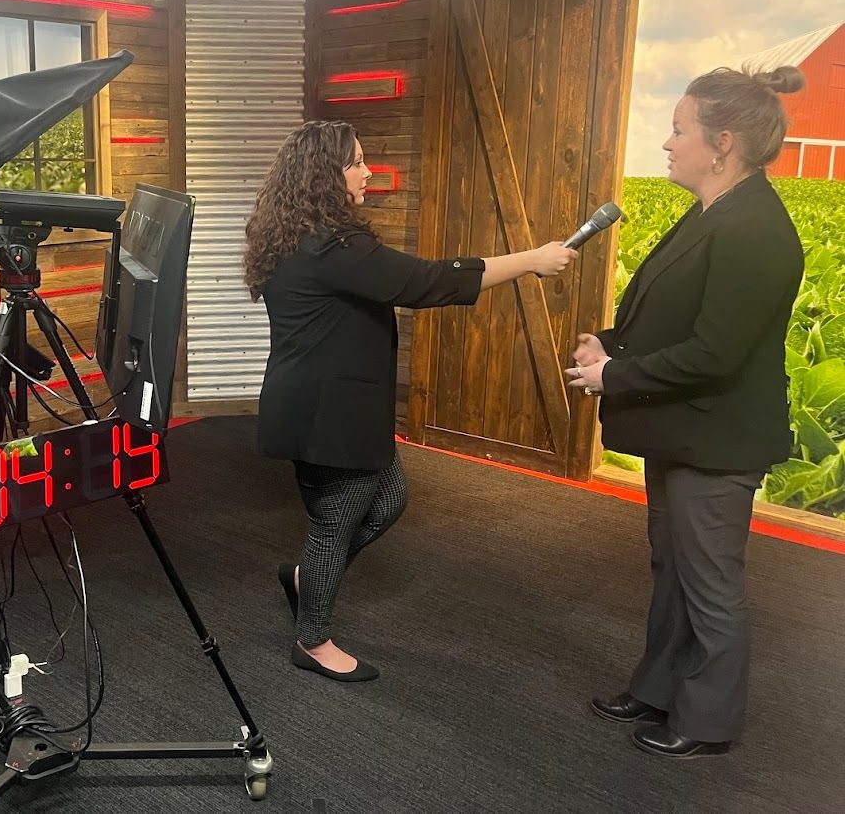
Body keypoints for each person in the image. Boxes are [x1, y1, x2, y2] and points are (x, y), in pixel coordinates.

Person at [243, 120, 577, 682]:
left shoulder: (304, 236)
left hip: (328, 407)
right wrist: (529, 261)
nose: (367, 172)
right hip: (329, 415)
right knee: (337, 518)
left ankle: (308, 578)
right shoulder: (332, 247)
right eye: (356, 163)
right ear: (326, 174)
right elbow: (424, 282)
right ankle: (312, 638)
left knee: (389, 497)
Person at [567, 66, 805, 758]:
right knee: (673, 567)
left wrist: (616, 375)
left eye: (679, 129)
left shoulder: (756, 227)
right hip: (684, 430)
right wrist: (609, 345)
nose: (667, 144)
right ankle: (659, 686)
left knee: (710, 583)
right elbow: (672, 316)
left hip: (718, 438)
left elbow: (715, 353)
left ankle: (705, 720)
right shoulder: (713, 212)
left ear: (722, 142)